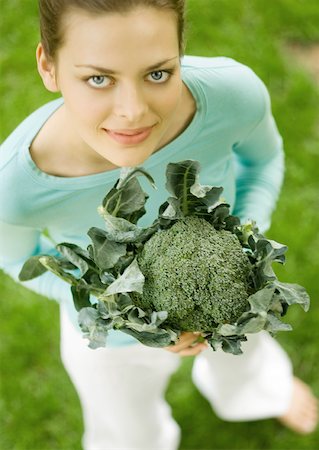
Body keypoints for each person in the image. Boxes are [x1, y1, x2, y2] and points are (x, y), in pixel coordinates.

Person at [0, 1, 317, 448]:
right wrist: (118, 317)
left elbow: (262, 162)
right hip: (112, 339)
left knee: (245, 359)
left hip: (228, 291)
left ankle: (256, 394)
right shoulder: (17, 185)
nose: (133, 111)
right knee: (124, 426)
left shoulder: (233, 95)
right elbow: (16, 258)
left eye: (157, 74)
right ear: (48, 67)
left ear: (181, 52)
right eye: (98, 78)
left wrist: (236, 250)